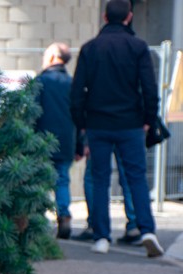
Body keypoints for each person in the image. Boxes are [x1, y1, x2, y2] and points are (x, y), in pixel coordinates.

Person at [70, 0, 162, 257]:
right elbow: (149, 88)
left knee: (100, 179)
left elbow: (77, 92)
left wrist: (82, 124)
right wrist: (149, 118)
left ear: (104, 16)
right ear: (129, 17)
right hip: (131, 124)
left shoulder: (90, 49)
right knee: (136, 179)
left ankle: (101, 236)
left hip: (98, 124)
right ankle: (146, 230)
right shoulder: (138, 47)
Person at [36, 43, 79, 239]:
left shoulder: (40, 82)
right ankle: (64, 216)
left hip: (41, 141)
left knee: (39, 181)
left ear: (53, 56)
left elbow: (31, 113)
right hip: (66, 141)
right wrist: (80, 144)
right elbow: (79, 116)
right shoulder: (72, 83)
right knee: (62, 180)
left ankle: (39, 220)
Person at [75, 142, 139, 244]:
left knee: (95, 178)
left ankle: (96, 226)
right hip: (125, 130)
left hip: (100, 131)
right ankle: (134, 227)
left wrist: (87, 141)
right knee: (128, 177)